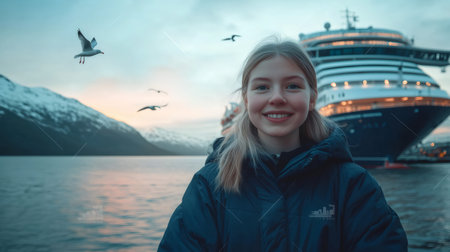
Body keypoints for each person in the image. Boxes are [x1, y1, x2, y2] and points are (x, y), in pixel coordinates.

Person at [158, 38, 408, 251]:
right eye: (262, 87)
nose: (277, 98)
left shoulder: (353, 186)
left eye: (292, 86)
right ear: (246, 100)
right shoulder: (209, 186)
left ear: (312, 99)